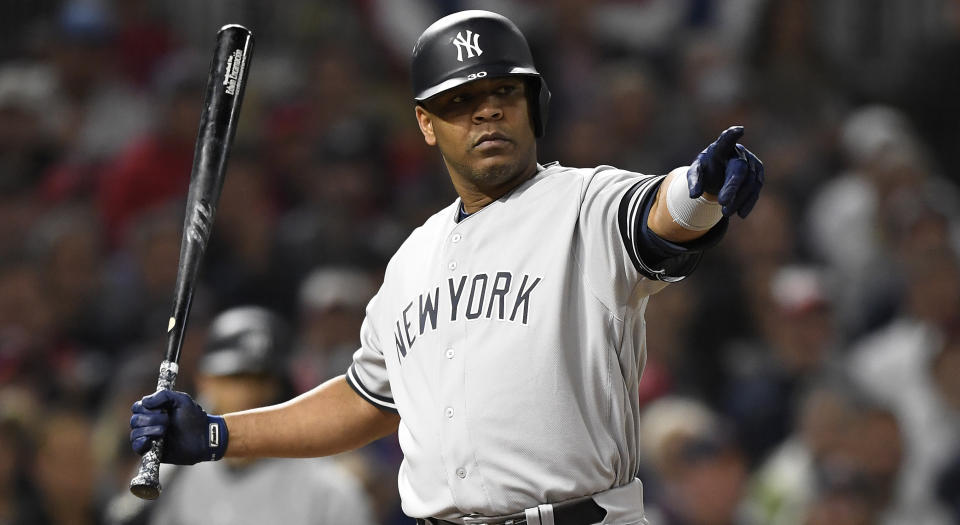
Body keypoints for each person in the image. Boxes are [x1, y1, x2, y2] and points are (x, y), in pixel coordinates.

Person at [130, 10, 763, 525]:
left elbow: (659, 215)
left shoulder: (585, 203)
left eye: (502, 93)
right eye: (461, 100)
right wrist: (219, 435)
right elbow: (367, 399)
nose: (486, 111)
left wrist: (699, 192)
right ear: (426, 125)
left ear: (533, 106)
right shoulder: (411, 261)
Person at [142, 306, 377, 525]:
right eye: (233, 378)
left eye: (259, 379)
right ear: (204, 380)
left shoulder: (329, 488)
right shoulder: (170, 477)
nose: (246, 393)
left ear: (278, 386)